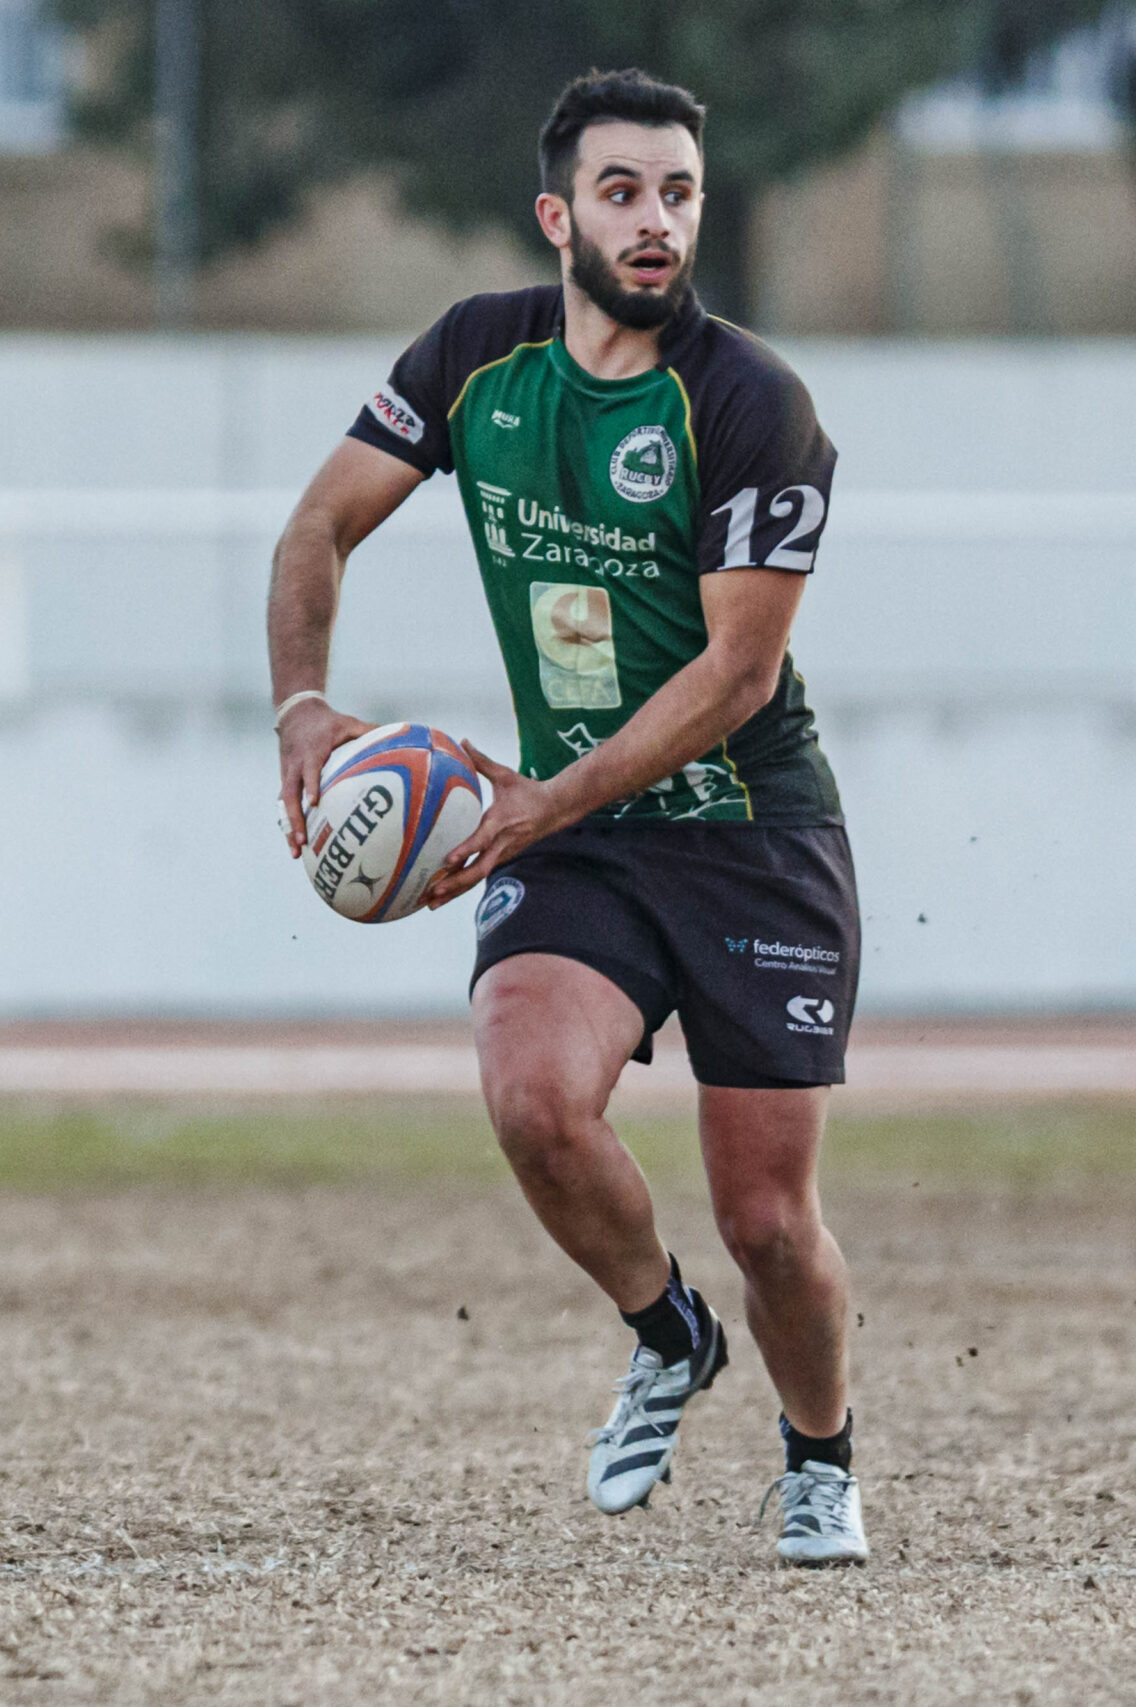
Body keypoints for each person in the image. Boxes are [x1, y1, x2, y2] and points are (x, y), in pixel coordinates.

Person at [268, 69, 866, 1565]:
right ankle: (667, 1336)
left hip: (749, 830)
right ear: (559, 215)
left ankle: (818, 1456)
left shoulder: (749, 403)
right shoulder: (478, 357)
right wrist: (302, 707)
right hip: (583, 836)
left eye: (678, 193)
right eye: (622, 192)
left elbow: (739, 674)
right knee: (533, 1099)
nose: (656, 221)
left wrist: (543, 798)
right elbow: (316, 525)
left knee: (770, 1224)